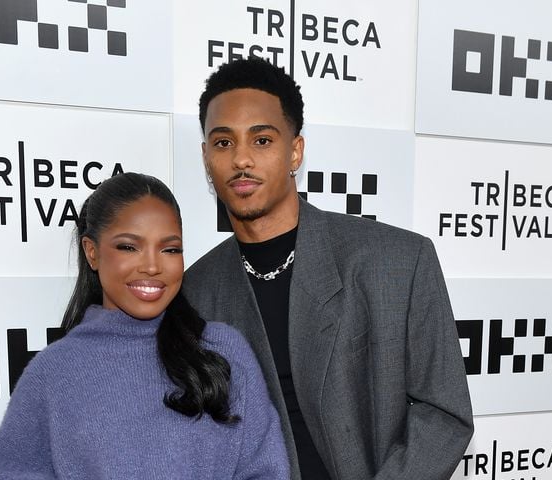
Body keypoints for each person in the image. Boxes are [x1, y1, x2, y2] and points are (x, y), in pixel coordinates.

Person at [183, 58, 474, 480]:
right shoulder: (194, 292)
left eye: (262, 140)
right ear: (206, 157)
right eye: (224, 142)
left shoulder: (397, 261)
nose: (241, 159)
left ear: (295, 151)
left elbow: (444, 414)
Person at [0, 172, 289, 479]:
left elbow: (265, 470)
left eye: (170, 249)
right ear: (92, 252)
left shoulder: (223, 350)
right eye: (129, 247)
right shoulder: (54, 372)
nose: (152, 266)